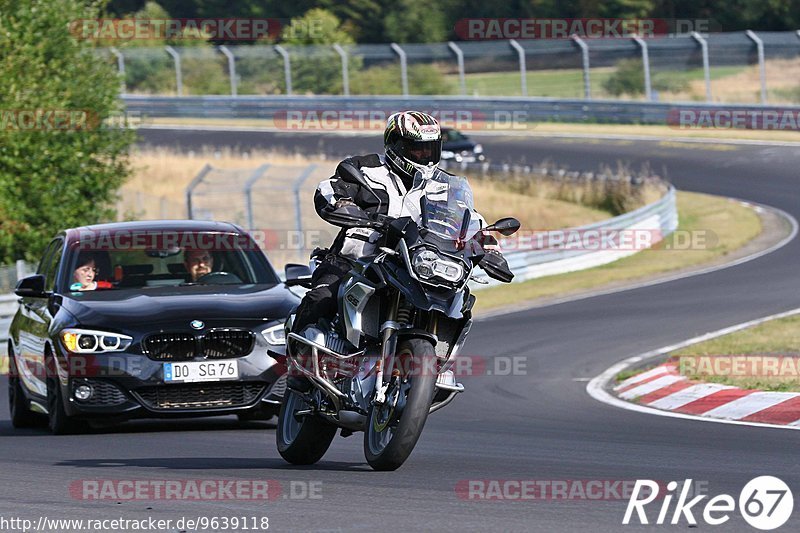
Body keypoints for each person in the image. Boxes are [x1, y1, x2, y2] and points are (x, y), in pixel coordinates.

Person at [291, 110, 506, 337]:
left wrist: (489, 248)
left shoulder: (443, 186)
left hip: (411, 266)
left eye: (430, 149)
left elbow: (469, 219)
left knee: (456, 306)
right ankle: (293, 359)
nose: (425, 155)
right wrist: (344, 205)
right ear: (395, 144)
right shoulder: (365, 169)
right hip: (355, 260)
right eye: (417, 148)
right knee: (322, 298)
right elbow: (330, 189)